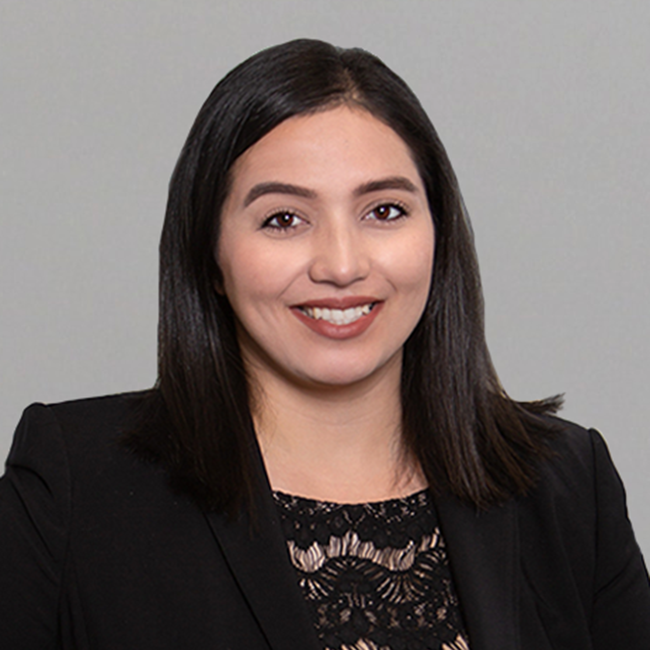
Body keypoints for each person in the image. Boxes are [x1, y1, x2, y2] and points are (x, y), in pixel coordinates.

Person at [1, 39, 649, 650]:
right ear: (211, 255)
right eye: (284, 219)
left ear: (438, 234)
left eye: (384, 211)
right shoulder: (75, 485)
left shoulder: (567, 485)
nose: (341, 265)